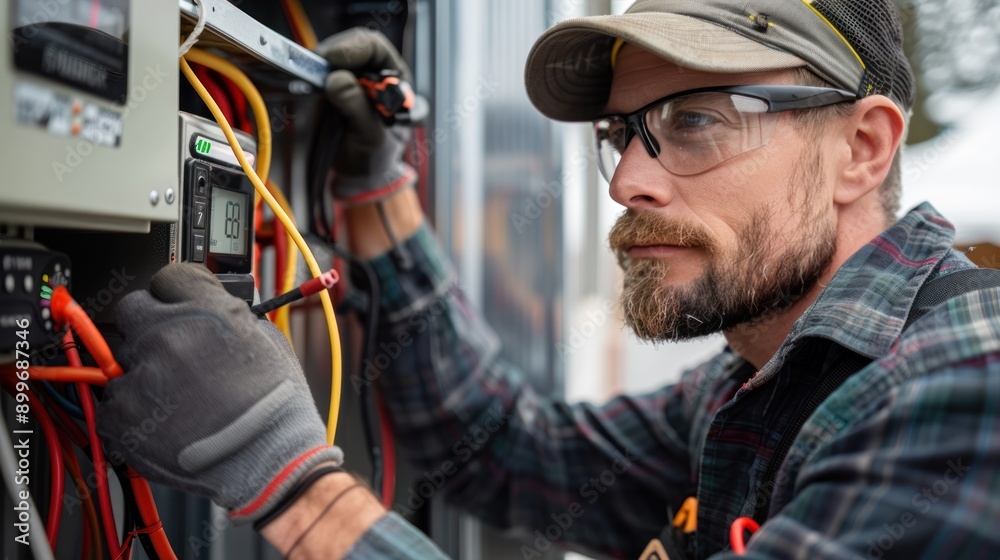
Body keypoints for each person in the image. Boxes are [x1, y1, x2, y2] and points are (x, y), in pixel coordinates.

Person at [97, 1, 1000, 558]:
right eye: (622, 132)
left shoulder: (964, 388)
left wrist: (291, 488)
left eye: (697, 121)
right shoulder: (760, 380)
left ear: (863, 147)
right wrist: (379, 196)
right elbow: (508, 452)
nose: (625, 182)